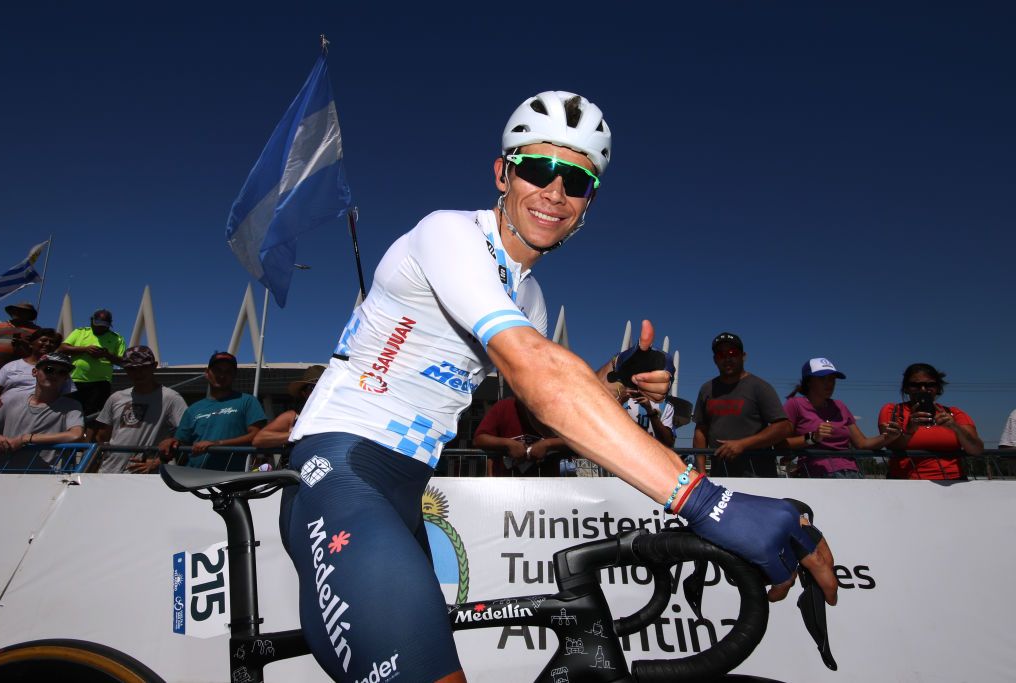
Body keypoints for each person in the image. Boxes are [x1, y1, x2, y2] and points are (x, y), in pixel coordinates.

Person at [280, 91, 837, 683]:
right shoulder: (448, 234)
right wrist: (705, 502)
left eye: (575, 180)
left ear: (588, 201)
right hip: (340, 468)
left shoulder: (531, 298)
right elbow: (536, 369)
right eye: (538, 169)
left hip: (407, 488)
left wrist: (616, 380)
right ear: (503, 173)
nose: (554, 192)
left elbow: (545, 413)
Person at [692, 332, 792, 477]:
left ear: (743, 356)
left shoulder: (759, 387)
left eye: (733, 353)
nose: (727, 358)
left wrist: (743, 444)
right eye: (721, 355)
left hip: (758, 475)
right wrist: (701, 471)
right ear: (715, 359)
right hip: (720, 474)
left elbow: (784, 427)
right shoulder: (707, 389)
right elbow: (700, 431)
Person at [781, 358, 900, 478]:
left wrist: (888, 437)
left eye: (832, 379)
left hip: (852, 472)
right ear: (809, 382)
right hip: (816, 474)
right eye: (823, 379)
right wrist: (812, 437)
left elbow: (862, 443)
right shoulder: (794, 404)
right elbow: (781, 444)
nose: (830, 383)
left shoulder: (840, 406)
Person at [877, 363, 983, 480]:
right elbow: (891, 445)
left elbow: (976, 450)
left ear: (938, 388)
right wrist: (909, 430)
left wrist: (955, 427)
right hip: (906, 483)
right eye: (915, 385)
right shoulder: (894, 411)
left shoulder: (954, 413)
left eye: (930, 385)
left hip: (952, 483)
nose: (923, 389)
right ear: (906, 388)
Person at [164, 351, 267, 471]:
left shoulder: (247, 401)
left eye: (228, 372)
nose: (222, 375)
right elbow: (181, 441)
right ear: (207, 373)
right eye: (217, 370)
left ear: (235, 375)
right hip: (194, 475)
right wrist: (170, 442)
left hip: (232, 476)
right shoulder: (193, 409)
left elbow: (257, 435)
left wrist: (217, 444)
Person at [93, 346, 187, 473]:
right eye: (132, 369)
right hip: (109, 471)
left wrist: (158, 461)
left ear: (154, 366)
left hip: (143, 475)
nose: (138, 373)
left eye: (143, 367)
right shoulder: (116, 398)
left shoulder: (171, 398)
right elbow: (102, 437)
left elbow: (186, 435)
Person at [0, 351, 83, 470]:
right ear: (34, 372)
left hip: (49, 477)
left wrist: (26, 439)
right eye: (49, 369)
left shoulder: (71, 406)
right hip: (7, 474)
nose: (55, 374)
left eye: (62, 372)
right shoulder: (13, 401)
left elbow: (75, 435)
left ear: (66, 378)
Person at [59, 309, 126, 433]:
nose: (101, 328)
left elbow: (123, 361)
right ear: (91, 321)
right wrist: (85, 349)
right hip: (75, 380)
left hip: (101, 383)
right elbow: (62, 348)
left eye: (104, 326)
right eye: (98, 325)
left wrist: (106, 355)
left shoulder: (117, 338)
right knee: (68, 412)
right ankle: (68, 439)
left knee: (94, 417)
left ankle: (88, 443)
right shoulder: (80, 332)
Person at [473, 396, 573, 476]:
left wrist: (548, 444)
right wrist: (508, 444)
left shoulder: (554, 410)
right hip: (506, 483)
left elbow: (576, 441)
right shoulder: (503, 407)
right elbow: (479, 439)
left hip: (546, 484)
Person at [252, 364, 325, 466]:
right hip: (294, 473)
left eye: (324, 387)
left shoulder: (340, 417)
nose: (318, 392)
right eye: (313, 388)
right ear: (304, 393)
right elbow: (259, 439)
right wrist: (298, 435)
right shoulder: (293, 416)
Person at [0, 328, 74, 411]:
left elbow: (68, 396)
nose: (48, 344)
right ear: (31, 344)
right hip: (6, 414)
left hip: (43, 416)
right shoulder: (12, 366)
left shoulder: (60, 371)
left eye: (52, 342)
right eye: (43, 340)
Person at [0, 301, 40, 375]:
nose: (18, 313)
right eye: (16, 311)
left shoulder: (37, 331)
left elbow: (39, 350)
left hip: (18, 372)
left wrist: (23, 344)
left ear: (29, 315)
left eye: (23, 311)